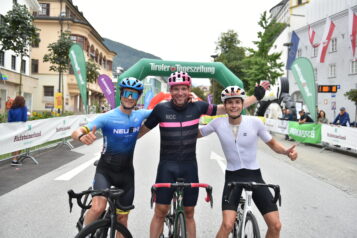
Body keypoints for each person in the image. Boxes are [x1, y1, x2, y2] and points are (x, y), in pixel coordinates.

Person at [138, 71, 270, 238]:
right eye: (176, 89)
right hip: (166, 166)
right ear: (170, 90)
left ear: (189, 89)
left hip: (189, 167)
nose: (180, 93)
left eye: (184, 89)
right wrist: (121, 142)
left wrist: (255, 97)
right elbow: (142, 131)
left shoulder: (198, 106)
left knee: (189, 212)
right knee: (160, 211)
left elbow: (226, 107)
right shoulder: (161, 109)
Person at [198, 86, 297, 238]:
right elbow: (195, 133)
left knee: (276, 225)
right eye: (229, 102)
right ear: (224, 106)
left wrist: (286, 152)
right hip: (233, 177)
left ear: (242, 104)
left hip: (254, 176)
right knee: (227, 225)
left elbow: (272, 144)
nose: (234, 106)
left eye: (237, 102)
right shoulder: (218, 123)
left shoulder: (254, 122)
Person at [71, 77, 151, 233]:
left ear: (138, 98)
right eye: (127, 93)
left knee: (122, 219)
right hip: (106, 171)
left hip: (126, 174)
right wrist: (81, 137)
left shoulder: (140, 115)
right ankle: (84, 233)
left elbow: (165, 109)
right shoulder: (107, 117)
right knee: (97, 208)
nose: (129, 97)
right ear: (121, 95)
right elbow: (77, 131)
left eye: (134, 95)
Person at [8, 95, 28, 166]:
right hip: (20, 129)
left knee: (14, 144)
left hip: (12, 129)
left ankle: (14, 159)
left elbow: (9, 120)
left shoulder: (11, 109)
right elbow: (24, 119)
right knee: (20, 144)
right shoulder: (23, 108)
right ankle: (15, 160)